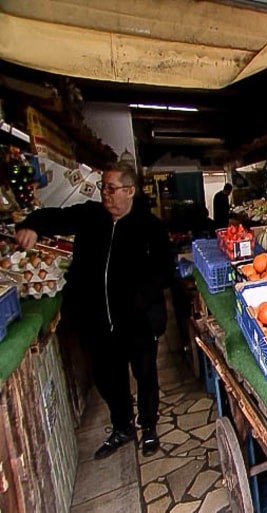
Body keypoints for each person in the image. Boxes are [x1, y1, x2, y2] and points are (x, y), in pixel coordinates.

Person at [16, 163, 173, 459]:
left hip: (138, 321)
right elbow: (55, 217)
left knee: (145, 374)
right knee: (108, 377)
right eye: (103, 187)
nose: (106, 194)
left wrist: (143, 296)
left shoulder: (148, 226)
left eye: (112, 188)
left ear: (130, 191)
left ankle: (149, 427)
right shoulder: (90, 217)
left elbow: (165, 267)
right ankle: (122, 426)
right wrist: (32, 225)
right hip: (98, 320)